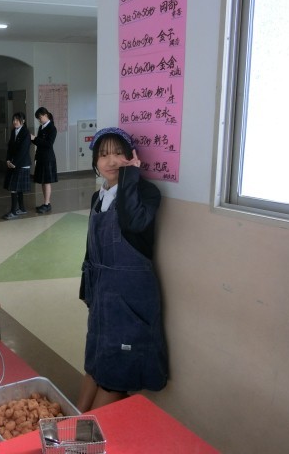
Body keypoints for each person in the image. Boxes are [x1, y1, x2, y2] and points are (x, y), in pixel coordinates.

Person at [77, 127, 168, 411]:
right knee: (95, 362)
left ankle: (83, 432)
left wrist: (131, 177)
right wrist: (88, 290)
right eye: (104, 155)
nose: (112, 161)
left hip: (130, 296)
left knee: (115, 375)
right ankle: (71, 423)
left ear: (131, 157)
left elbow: (134, 222)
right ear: (95, 161)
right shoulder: (97, 197)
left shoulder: (147, 193)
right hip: (102, 292)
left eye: (119, 153)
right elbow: (91, 249)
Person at [2, 112, 31, 220]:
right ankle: (22, 208)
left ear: (23, 121)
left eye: (17, 120)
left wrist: (14, 163)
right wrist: (8, 160)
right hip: (14, 163)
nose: (15, 122)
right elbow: (10, 147)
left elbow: (23, 151)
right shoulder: (13, 131)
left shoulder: (26, 133)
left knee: (14, 188)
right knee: (18, 188)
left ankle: (13, 211)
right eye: (13, 120)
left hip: (22, 164)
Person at [31, 107, 58, 213]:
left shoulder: (52, 128)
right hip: (41, 157)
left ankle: (47, 204)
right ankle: (46, 202)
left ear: (45, 115)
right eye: (38, 118)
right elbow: (39, 143)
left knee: (46, 181)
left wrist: (35, 138)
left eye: (40, 117)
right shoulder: (41, 127)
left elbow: (48, 144)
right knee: (43, 181)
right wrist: (32, 139)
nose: (39, 120)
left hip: (48, 158)